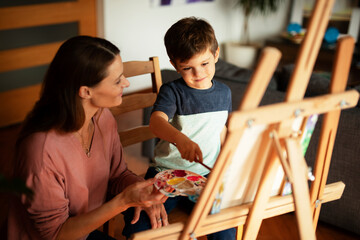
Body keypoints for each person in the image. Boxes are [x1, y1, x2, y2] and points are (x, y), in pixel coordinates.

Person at [7, 35, 168, 240]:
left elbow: (117, 174)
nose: (126, 83)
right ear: (85, 91)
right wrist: (124, 201)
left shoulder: (102, 116)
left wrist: (143, 193)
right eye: (118, 80)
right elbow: (56, 234)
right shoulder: (41, 151)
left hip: (84, 230)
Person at [122, 17, 236, 239]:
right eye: (187, 68)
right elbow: (156, 122)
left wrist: (225, 168)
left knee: (225, 231)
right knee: (140, 227)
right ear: (174, 64)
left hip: (206, 176)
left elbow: (221, 130)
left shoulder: (224, 93)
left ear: (216, 54)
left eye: (204, 64)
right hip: (166, 173)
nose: (198, 74)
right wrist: (181, 140)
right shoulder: (172, 91)